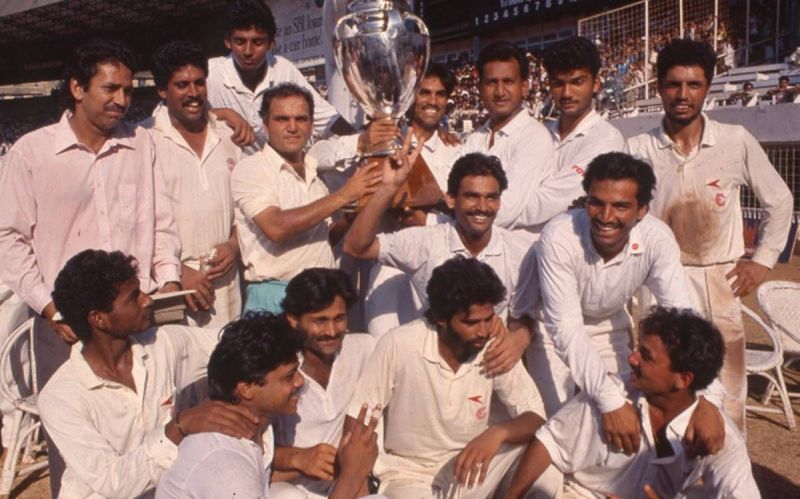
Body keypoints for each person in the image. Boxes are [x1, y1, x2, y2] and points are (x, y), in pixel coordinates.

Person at [0, 39, 181, 494]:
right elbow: (7, 238)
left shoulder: (142, 145)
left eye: (127, 90)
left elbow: (162, 223)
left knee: (149, 432)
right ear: (77, 88)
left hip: (136, 320)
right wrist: (49, 308)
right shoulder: (31, 153)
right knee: (79, 460)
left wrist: (169, 279)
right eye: (110, 89)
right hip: (63, 327)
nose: (122, 100)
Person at [627, 39, 794, 431]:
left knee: (727, 392)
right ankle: (663, 482)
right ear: (658, 87)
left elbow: (781, 201)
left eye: (693, 85)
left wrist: (763, 260)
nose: (682, 95)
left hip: (719, 280)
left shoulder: (734, 140)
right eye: (672, 85)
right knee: (660, 388)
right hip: (660, 281)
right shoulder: (639, 148)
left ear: (708, 87)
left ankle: (721, 484)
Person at [511, 152, 724, 454]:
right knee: (557, 426)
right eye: (597, 202)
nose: (606, 216)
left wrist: (709, 397)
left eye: (621, 206)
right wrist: (609, 399)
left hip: (610, 328)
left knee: (628, 426)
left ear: (642, 210)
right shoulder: (559, 235)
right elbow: (566, 328)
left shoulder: (657, 239)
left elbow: (684, 321)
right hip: (551, 333)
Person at [38, 250, 259, 498]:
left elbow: (230, 343)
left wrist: (290, 325)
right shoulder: (59, 398)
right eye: (133, 297)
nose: (148, 300)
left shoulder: (162, 344)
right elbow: (113, 482)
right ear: (98, 319)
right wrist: (179, 427)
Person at [345, 257, 558, 498]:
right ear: (441, 318)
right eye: (471, 322)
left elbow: (536, 418)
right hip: (408, 476)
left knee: (547, 469)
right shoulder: (399, 344)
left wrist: (497, 433)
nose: (484, 330)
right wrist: (355, 481)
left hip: (471, 468)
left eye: (488, 319)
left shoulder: (493, 346)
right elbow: (358, 421)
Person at [506, 307, 761, 499]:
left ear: (683, 379)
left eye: (646, 357)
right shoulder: (611, 395)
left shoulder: (719, 438)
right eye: (638, 349)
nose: (632, 358)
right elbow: (549, 444)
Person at [156, 311, 380, 499]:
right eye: (289, 376)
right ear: (247, 389)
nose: (300, 382)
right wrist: (351, 475)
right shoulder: (226, 464)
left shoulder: (256, 431)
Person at [309, 63, 462, 336]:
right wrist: (361, 142)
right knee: (382, 341)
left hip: (434, 265)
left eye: (440, 94)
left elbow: (458, 216)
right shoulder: (381, 139)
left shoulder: (456, 149)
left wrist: (422, 218)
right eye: (424, 92)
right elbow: (315, 157)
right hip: (383, 264)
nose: (432, 101)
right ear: (409, 97)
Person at [345, 153, 533, 372]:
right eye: (471, 196)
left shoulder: (519, 251)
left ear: (499, 201)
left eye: (490, 197)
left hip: (488, 369)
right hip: (427, 368)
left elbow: (524, 313)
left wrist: (520, 337)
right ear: (451, 199)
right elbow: (356, 246)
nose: (482, 207)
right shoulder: (425, 242)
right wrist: (388, 189)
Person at [231, 83, 381, 314]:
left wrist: (350, 219)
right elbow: (276, 227)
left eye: (301, 119)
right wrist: (343, 195)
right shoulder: (251, 169)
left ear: (311, 124)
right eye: (282, 119)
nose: (292, 127)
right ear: (266, 124)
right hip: (276, 297)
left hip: (321, 294)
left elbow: (321, 239)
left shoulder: (313, 170)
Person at [143, 40, 241, 328]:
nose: (194, 92)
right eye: (182, 85)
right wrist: (177, 272)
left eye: (199, 83)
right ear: (162, 90)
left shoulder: (227, 137)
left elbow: (245, 207)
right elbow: (133, 221)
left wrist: (234, 246)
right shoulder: (144, 140)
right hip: (173, 286)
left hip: (227, 285)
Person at [270, 268, 376, 497]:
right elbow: (250, 444)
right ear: (293, 320)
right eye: (320, 321)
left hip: (346, 483)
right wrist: (298, 457)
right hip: (286, 486)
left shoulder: (364, 348)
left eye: (339, 319)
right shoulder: (276, 367)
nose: (331, 331)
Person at [207, 0, 354, 154]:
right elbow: (181, 116)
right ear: (227, 42)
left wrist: (362, 140)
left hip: (275, 172)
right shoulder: (212, 73)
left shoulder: (282, 69)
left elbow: (325, 117)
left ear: (271, 44)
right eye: (240, 42)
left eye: (257, 42)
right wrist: (224, 114)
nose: (248, 51)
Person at [459, 42, 561, 240]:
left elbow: (503, 211)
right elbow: (453, 194)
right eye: (491, 82)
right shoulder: (474, 138)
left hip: (515, 260)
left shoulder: (534, 137)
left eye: (508, 81)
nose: (500, 92)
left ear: (524, 86)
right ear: (480, 88)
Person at [541, 36, 626, 209]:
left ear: (595, 84)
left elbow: (552, 202)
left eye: (577, 82)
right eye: (558, 83)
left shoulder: (607, 139)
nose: (566, 93)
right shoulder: (541, 132)